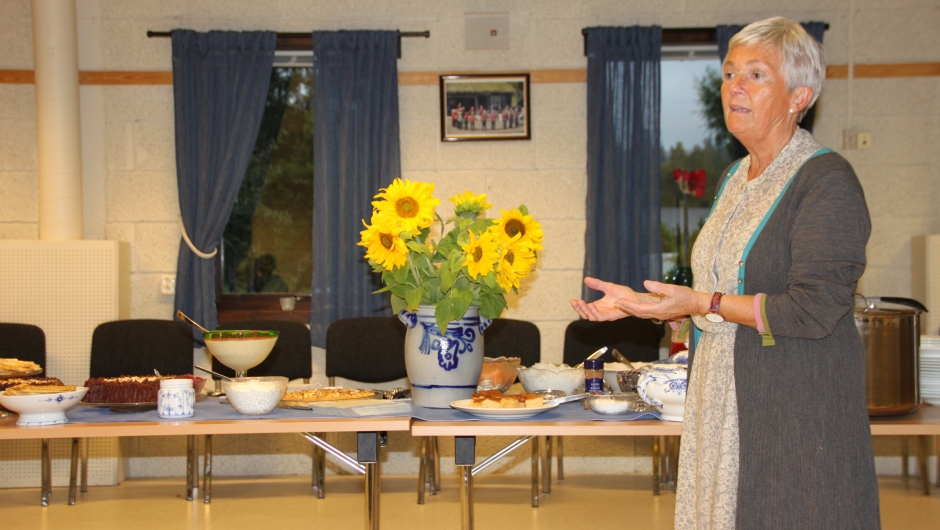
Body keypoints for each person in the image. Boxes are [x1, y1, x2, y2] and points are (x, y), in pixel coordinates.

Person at [570, 17, 878, 529]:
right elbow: (720, 293)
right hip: (720, 403)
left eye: (756, 75)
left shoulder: (826, 180)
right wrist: (653, 309)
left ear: (799, 96)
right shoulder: (736, 175)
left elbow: (816, 307)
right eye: (730, 72)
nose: (735, 86)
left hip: (791, 411)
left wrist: (700, 304)